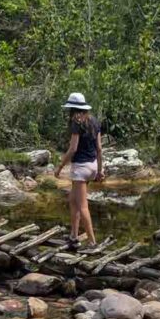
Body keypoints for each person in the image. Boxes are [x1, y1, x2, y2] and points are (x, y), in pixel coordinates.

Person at [55, 92, 104, 247]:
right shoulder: (94, 121)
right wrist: (100, 170)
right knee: (73, 200)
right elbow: (100, 149)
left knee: (83, 206)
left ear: (72, 109)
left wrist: (60, 166)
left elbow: (73, 149)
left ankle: (92, 243)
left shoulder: (77, 123)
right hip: (92, 166)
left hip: (81, 168)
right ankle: (74, 236)